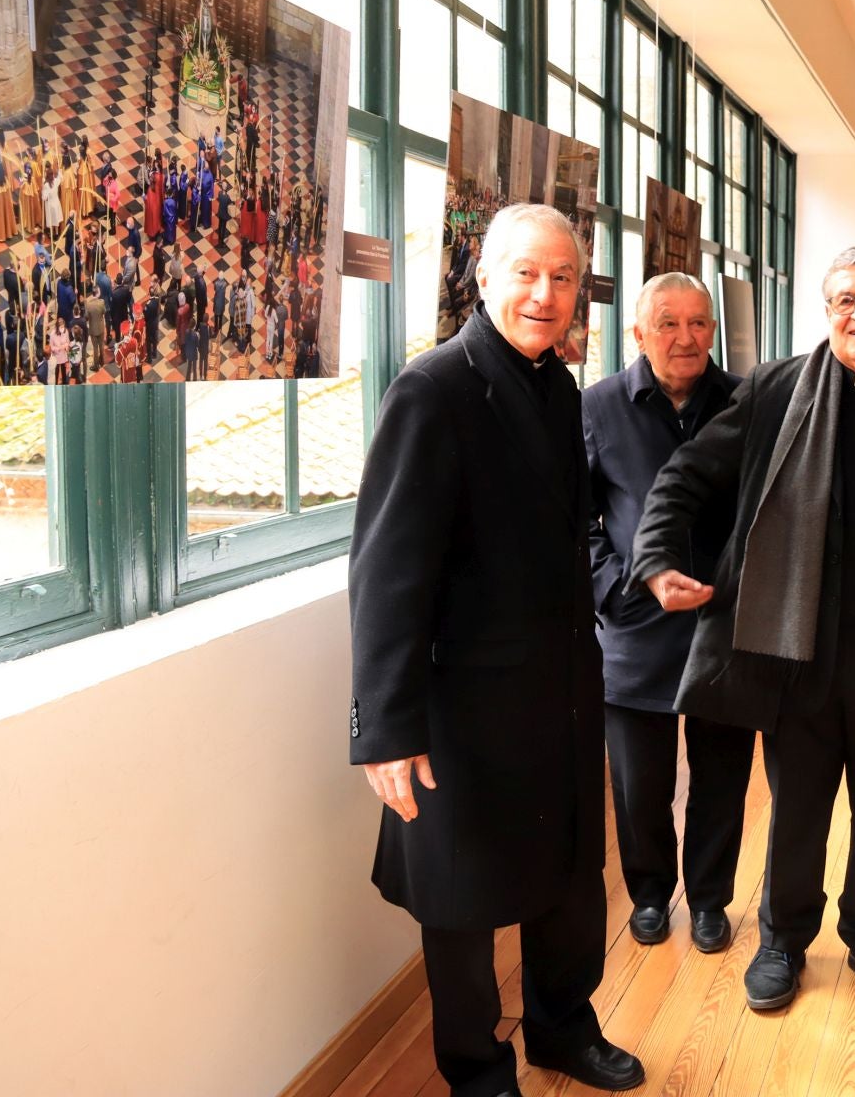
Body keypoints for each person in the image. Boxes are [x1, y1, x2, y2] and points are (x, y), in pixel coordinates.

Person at [632, 246, 855, 1014]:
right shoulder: (775, 392)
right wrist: (657, 559)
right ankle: (781, 940)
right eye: (845, 301)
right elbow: (688, 474)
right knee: (797, 807)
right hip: (797, 650)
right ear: (826, 314)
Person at [347, 203, 643, 1096]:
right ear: (483, 277)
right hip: (461, 709)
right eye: (526, 273)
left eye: (563, 278)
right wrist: (385, 728)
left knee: (568, 880)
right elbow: (387, 574)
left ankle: (562, 1028)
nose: (545, 294)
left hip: (557, 693)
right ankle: (477, 1070)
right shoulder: (432, 389)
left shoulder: (558, 387)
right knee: (462, 904)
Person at [584, 273, 754, 955]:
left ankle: (710, 900)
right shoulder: (597, 408)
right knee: (638, 783)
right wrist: (618, 588)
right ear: (637, 333)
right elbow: (577, 520)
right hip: (635, 627)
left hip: (726, 622)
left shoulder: (746, 402)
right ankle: (650, 894)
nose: (686, 338)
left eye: (699, 323)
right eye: (668, 323)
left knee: (723, 777)